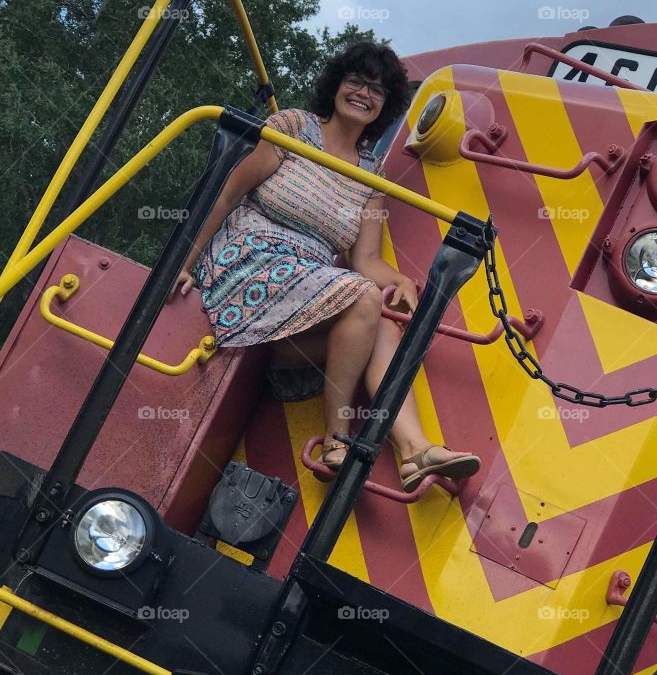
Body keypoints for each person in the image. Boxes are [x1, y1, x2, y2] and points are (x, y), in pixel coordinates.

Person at [177, 41, 481, 493]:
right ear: (336, 85)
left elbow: (366, 261)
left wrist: (399, 280)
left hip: (305, 292)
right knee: (362, 296)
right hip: (247, 266)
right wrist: (182, 263)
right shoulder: (294, 127)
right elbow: (225, 194)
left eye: (377, 90)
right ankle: (337, 440)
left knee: (385, 323)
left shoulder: (370, 175)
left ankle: (414, 450)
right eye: (356, 80)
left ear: (386, 106)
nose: (364, 93)